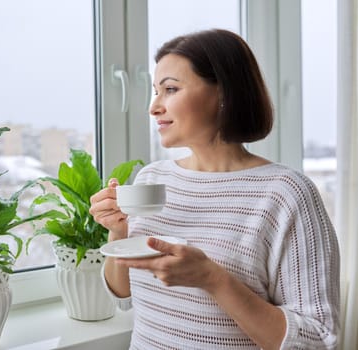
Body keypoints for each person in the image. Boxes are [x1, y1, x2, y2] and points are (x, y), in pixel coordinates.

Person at [89, 29, 340, 349]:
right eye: (155, 92)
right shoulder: (151, 181)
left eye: (170, 89)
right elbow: (122, 294)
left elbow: (318, 339)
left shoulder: (285, 194)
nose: (154, 107)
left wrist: (213, 278)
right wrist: (118, 233)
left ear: (224, 93)